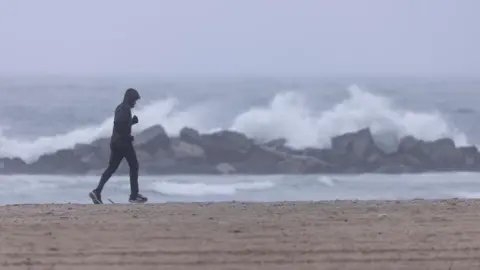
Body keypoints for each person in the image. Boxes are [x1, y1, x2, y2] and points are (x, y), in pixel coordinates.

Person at [89, 88, 148, 204]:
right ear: (130, 99)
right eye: (134, 100)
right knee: (134, 166)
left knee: (111, 168)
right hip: (123, 143)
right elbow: (120, 126)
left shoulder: (119, 108)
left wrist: (132, 122)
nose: (135, 103)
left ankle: (97, 191)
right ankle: (134, 195)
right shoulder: (125, 109)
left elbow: (120, 124)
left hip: (115, 143)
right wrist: (128, 136)